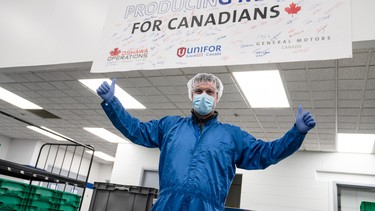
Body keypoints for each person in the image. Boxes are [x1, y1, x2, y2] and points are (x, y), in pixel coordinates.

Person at [97, 73, 316, 211]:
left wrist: (296, 133)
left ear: (217, 97)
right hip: (167, 205)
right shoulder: (170, 126)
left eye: (209, 91)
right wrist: (112, 103)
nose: (204, 95)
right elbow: (135, 130)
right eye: (199, 91)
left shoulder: (232, 136)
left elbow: (266, 153)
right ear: (191, 96)